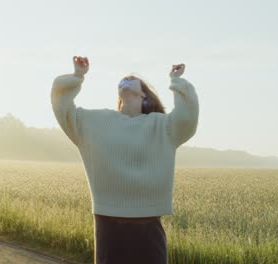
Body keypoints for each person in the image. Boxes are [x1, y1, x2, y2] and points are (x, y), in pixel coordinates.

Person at [51, 55, 199, 263]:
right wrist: (77, 76)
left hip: (149, 227)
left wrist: (177, 81)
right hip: (108, 226)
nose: (126, 79)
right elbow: (63, 109)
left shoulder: (162, 126)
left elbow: (188, 117)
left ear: (143, 94)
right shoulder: (96, 123)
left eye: (132, 79)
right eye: (123, 80)